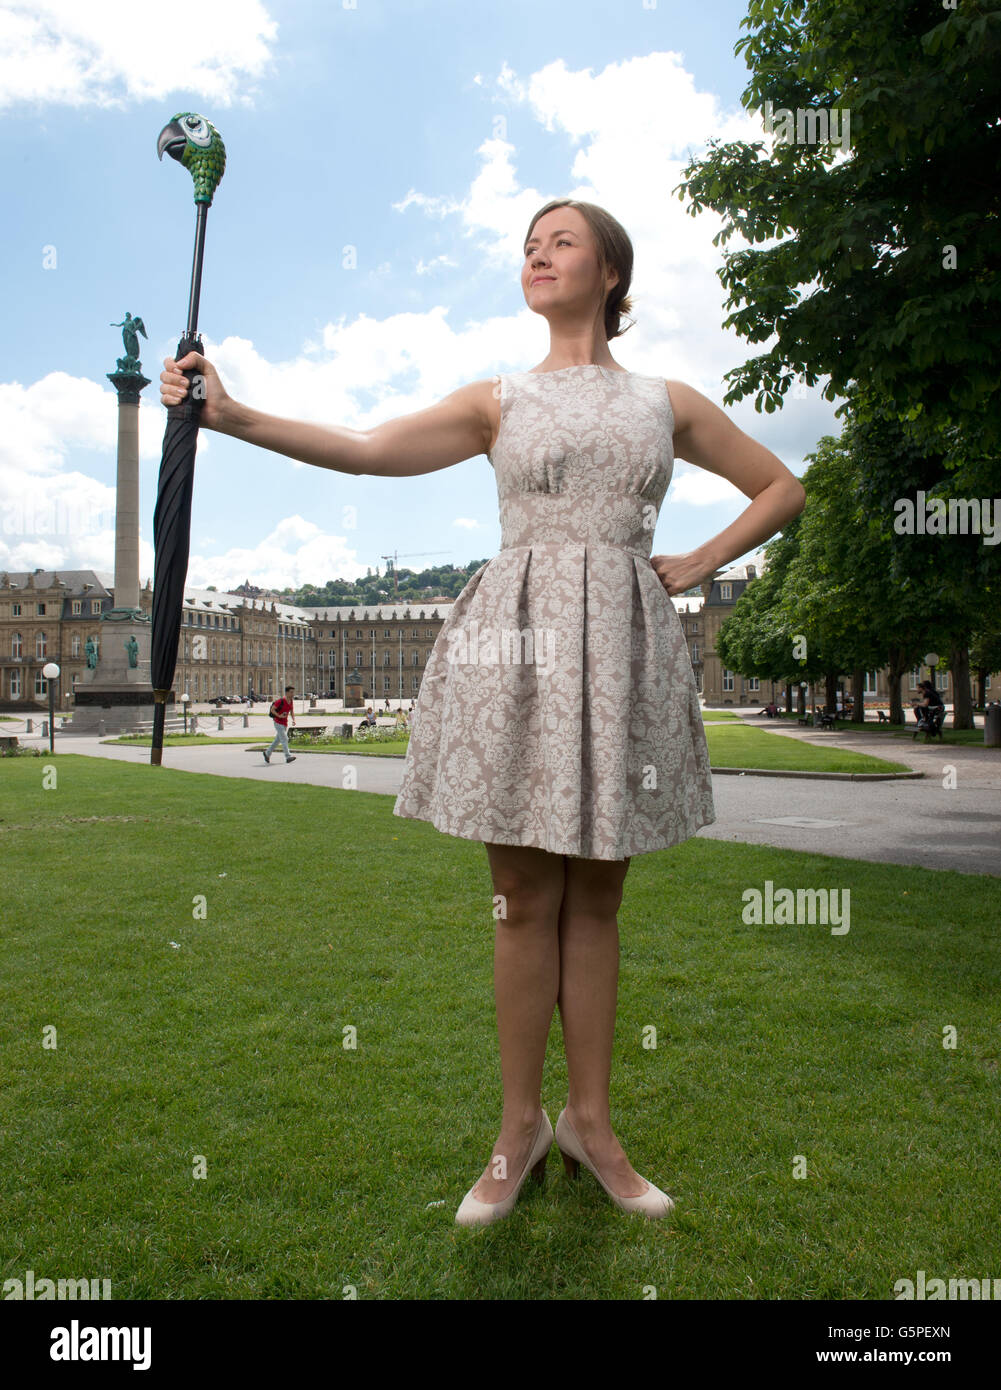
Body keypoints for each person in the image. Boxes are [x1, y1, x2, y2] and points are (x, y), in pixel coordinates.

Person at [159, 196, 806, 1227]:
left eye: (559, 242)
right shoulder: (497, 399)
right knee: (518, 894)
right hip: (515, 642)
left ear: (609, 272)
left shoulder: (662, 400)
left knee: (597, 894)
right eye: (526, 248)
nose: (536, 256)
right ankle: (518, 1129)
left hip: (622, 642)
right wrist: (232, 416)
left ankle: (591, 1126)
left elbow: (780, 486)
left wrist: (694, 562)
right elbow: (367, 448)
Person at [264, 685, 296, 764]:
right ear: (287, 693)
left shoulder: (291, 701)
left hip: (285, 723)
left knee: (277, 740)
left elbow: (291, 711)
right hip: (278, 722)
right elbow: (272, 709)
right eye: (291, 692)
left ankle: (267, 753)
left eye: (293, 692)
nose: (292, 694)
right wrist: (279, 715)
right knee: (285, 739)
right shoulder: (281, 701)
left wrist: (293, 720)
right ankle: (288, 757)